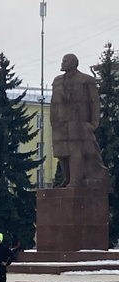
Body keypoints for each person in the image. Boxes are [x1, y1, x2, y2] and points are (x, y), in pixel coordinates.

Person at [50, 53, 108, 188]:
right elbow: (53, 103)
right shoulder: (57, 81)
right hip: (59, 123)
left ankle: (75, 181)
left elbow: (94, 102)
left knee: (76, 151)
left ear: (73, 63)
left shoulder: (86, 80)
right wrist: (53, 121)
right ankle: (67, 178)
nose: (62, 63)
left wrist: (94, 123)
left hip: (78, 123)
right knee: (62, 152)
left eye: (65, 61)